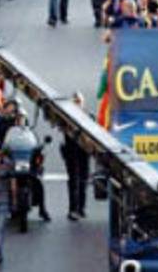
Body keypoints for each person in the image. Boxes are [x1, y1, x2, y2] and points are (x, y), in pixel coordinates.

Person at [61, 92, 91, 221]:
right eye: (74, 101)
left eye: (78, 101)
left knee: (84, 179)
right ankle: (73, 209)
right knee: (73, 180)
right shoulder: (67, 118)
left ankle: (81, 208)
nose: (76, 103)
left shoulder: (89, 117)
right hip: (71, 151)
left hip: (84, 151)